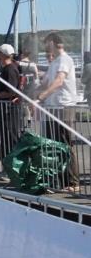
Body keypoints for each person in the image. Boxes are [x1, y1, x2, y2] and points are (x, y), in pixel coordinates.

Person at [35, 32, 80, 192]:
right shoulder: (54, 62)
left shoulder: (65, 60)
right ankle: (59, 180)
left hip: (64, 106)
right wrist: (29, 94)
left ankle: (73, 182)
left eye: (47, 44)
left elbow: (59, 81)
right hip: (52, 108)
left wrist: (42, 96)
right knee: (53, 145)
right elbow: (45, 82)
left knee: (65, 144)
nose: (45, 48)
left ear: (53, 43)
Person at [0, 44, 23, 164]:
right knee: (3, 140)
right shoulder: (8, 68)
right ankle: (7, 167)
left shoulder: (10, 69)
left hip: (8, 111)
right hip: (5, 110)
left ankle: (12, 169)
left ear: (3, 55)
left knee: (8, 139)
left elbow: (10, 92)